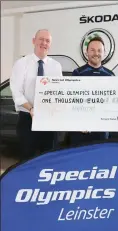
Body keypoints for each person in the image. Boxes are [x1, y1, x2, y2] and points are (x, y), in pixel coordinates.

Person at [10, 29, 63, 160]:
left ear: (50, 44)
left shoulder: (56, 66)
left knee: (49, 160)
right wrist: (31, 109)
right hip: (28, 119)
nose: (44, 43)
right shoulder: (21, 63)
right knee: (27, 160)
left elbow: (60, 92)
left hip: (49, 121)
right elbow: (16, 92)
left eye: (47, 41)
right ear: (34, 41)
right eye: (41, 39)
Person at [67, 36, 115, 145]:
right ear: (86, 52)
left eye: (99, 50)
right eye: (92, 50)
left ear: (104, 53)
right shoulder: (77, 73)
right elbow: (71, 101)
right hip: (80, 129)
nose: (96, 53)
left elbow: (114, 103)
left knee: (99, 160)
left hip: (101, 129)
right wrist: (80, 122)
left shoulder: (110, 75)